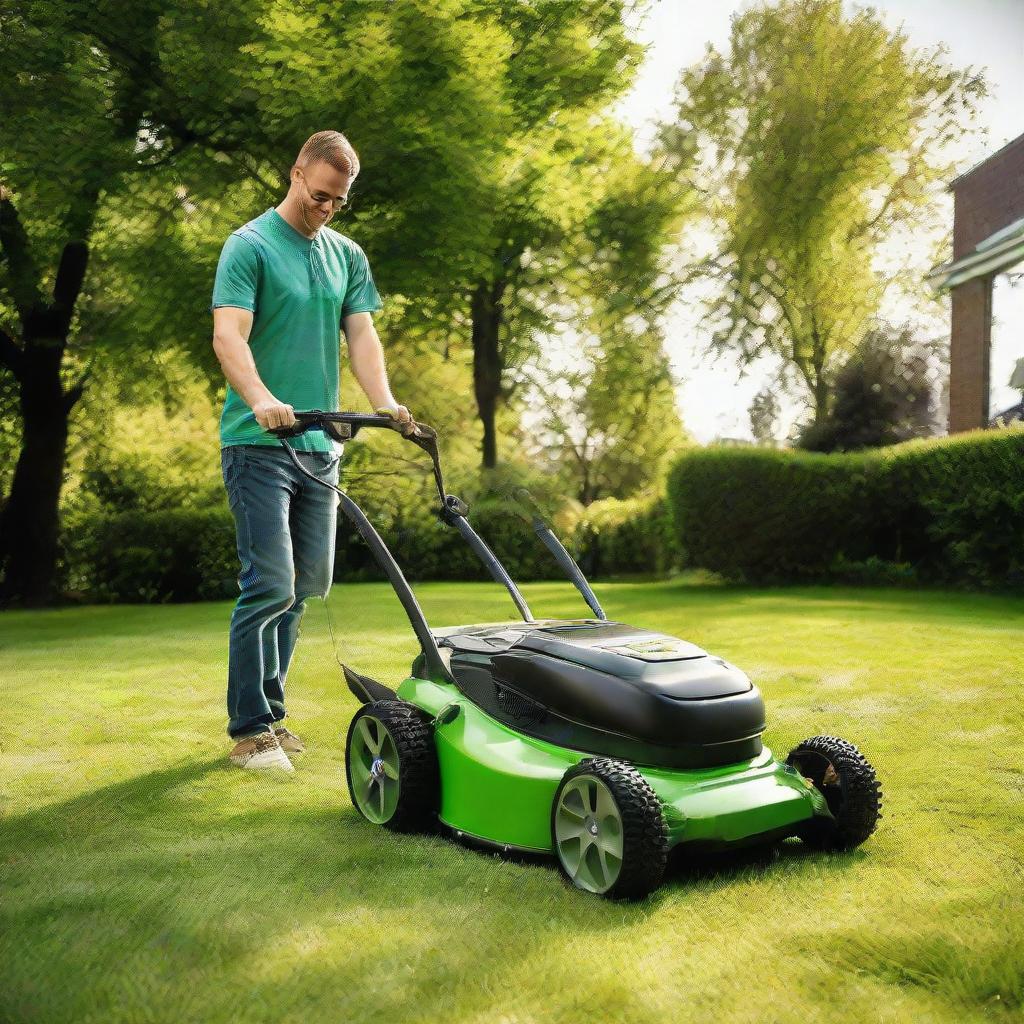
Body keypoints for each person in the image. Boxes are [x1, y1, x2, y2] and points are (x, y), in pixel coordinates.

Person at [211, 130, 414, 772]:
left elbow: (361, 335)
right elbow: (228, 336)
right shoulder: (249, 247)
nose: (324, 210)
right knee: (269, 582)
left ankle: (272, 715)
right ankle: (250, 732)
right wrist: (262, 397)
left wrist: (383, 400)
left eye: (337, 203)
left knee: (307, 585)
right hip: (259, 443)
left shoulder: (346, 256)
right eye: (319, 196)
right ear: (297, 172)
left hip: (320, 447)